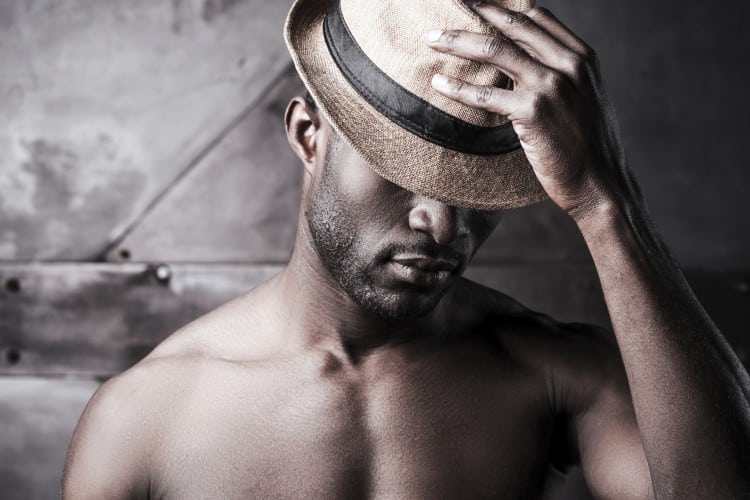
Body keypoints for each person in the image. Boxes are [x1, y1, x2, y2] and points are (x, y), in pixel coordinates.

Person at [63, 0, 750, 498]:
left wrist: (607, 204)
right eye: (407, 170)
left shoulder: (554, 373)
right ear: (308, 136)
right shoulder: (145, 419)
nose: (445, 225)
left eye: (477, 191)